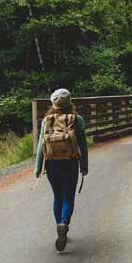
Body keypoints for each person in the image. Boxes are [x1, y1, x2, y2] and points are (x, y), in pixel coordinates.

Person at [33, 87, 89, 252]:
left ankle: (59, 225)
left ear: (53, 103)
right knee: (68, 198)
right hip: (70, 162)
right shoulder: (76, 119)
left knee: (57, 196)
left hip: (51, 163)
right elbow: (83, 146)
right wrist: (84, 166)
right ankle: (64, 223)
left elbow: (40, 147)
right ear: (69, 102)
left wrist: (38, 169)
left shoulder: (47, 120)